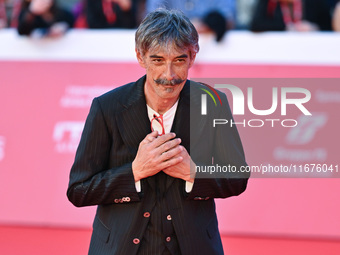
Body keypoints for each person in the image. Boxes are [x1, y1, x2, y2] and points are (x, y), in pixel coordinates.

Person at [67, 8, 249, 255]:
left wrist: (194, 173)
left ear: (193, 57)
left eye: (179, 60)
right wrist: (134, 172)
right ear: (140, 57)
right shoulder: (107, 107)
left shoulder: (213, 103)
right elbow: (79, 190)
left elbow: (237, 176)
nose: (169, 75)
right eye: (158, 60)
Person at [146, 0, 236, 41]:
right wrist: (187, 27)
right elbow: (152, 21)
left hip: (214, 53)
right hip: (170, 48)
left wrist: (206, 24)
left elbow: (228, 19)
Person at [250, 0, 332, 32]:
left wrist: (315, 28)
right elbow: (256, 24)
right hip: (279, 50)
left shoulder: (314, 3)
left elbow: (329, 27)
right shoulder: (269, 2)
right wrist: (286, 27)